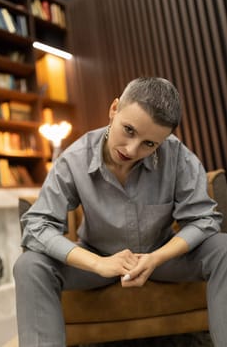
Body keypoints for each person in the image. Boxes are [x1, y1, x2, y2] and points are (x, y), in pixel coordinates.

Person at [14, 77, 226, 347]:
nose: (132, 149)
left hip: (160, 259)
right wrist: (98, 263)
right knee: (30, 265)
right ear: (114, 109)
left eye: (149, 144)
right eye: (128, 130)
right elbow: (37, 226)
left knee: (223, 248)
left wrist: (156, 258)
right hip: (95, 260)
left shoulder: (177, 156)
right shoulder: (74, 159)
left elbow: (205, 219)